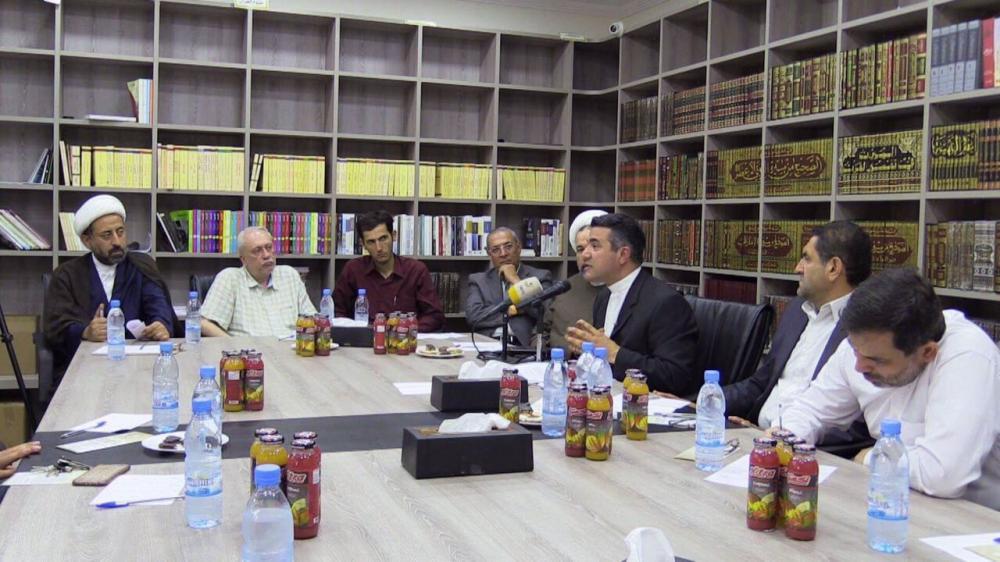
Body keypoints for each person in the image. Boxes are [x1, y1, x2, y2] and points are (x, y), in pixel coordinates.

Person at [776, 268, 1000, 510]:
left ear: (927, 352)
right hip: (888, 497)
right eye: (855, 350)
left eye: (877, 360)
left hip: (970, 516)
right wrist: (785, 439)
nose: (859, 366)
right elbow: (810, 410)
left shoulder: (968, 356)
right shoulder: (864, 346)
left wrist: (871, 457)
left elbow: (942, 475)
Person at [724, 221, 872, 428]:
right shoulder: (797, 311)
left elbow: (857, 426)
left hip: (808, 443)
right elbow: (761, 383)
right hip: (756, 432)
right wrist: (706, 401)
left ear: (833, 268)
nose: (797, 268)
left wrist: (783, 436)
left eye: (806, 259)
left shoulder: (867, 327)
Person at [565, 213, 698, 394]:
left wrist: (615, 353)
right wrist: (586, 352)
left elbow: (674, 376)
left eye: (595, 246)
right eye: (584, 247)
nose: (585, 254)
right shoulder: (604, 297)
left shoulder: (666, 303)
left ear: (623, 254)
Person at [43, 195, 175, 374]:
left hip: (138, 366)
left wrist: (160, 325)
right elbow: (56, 328)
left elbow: (158, 306)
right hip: (85, 368)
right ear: (87, 240)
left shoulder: (141, 267)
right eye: (107, 235)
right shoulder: (66, 275)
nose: (117, 242)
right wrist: (85, 332)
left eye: (120, 232)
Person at [333, 210, 445, 331]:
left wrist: (406, 329)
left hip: (404, 338)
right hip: (365, 337)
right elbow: (337, 312)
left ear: (394, 236)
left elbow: (435, 316)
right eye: (371, 242)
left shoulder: (416, 270)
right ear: (363, 244)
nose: (379, 248)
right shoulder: (353, 269)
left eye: (383, 238)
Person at [200, 226, 316, 337]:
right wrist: (234, 346)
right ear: (243, 259)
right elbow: (205, 324)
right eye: (257, 250)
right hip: (249, 349)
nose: (266, 255)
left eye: (269, 247)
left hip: (290, 348)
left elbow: (312, 318)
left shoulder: (289, 275)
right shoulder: (230, 278)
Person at [466, 227, 553, 346]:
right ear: (489, 253)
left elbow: (545, 313)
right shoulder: (479, 280)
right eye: (496, 250)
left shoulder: (540, 276)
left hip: (523, 346)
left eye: (508, 247)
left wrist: (515, 280)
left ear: (518, 247)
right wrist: (512, 309)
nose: (503, 254)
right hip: (488, 344)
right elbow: (474, 316)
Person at [543, 210, 606, 352]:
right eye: (580, 249)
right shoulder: (564, 289)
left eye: (594, 247)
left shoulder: (624, 289)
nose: (585, 255)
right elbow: (541, 333)